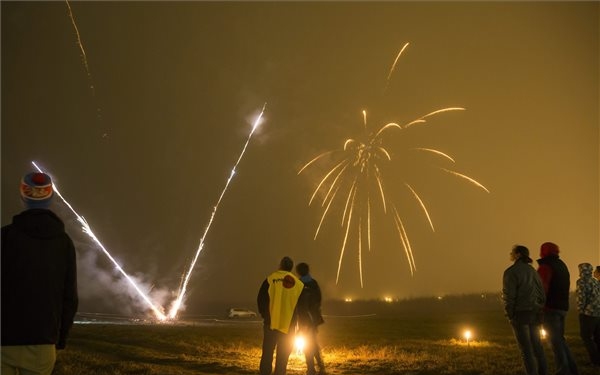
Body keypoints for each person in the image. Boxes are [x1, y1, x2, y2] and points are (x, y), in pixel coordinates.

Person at [1, 172, 79, 375]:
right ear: (51, 197)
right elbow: (69, 298)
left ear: (23, 196)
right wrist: (59, 340)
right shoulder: (64, 243)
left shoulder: (4, 237)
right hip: (43, 343)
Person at [502, 245, 547, 375]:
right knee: (537, 347)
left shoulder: (511, 272)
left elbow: (509, 295)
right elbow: (541, 293)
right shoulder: (533, 271)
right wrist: (540, 308)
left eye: (512, 252)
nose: (510, 254)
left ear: (518, 255)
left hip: (520, 314)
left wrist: (509, 313)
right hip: (535, 312)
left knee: (526, 350)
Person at [257, 256, 304, 375]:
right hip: (288, 326)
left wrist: (265, 316)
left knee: (267, 354)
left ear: (280, 265)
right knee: (283, 357)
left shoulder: (270, 279)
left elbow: (261, 299)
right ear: (291, 267)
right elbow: (301, 306)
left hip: (270, 324)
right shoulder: (298, 284)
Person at [537, 242, 579, 375]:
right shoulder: (562, 265)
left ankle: (563, 370)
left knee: (555, 342)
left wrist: (539, 306)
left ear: (544, 252)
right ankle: (572, 369)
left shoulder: (546, 266)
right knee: (560, 340)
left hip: (550, 308)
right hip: (563, 308)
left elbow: (542, 288)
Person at [296, 262, 326, 375]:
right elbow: (318, 301)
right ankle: (320, 365)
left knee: (308, 343)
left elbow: (297, 303)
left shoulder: (298, 284)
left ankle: (311, 368)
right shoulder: (314, 283)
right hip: (313, 319)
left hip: (304, 319)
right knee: (312, 342)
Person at [575, 263, 600, 366]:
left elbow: (581, 297)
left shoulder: (581, 281)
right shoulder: (595, 281)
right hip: (598, 313)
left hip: (587, 314)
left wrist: (580, 310)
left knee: (586, 337)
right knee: (598, 337)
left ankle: (595, 361)